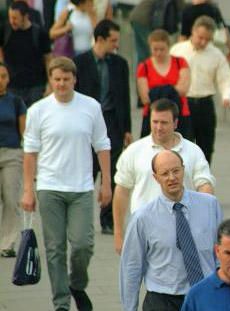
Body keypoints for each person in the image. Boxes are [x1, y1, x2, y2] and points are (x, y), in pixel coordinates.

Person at [21, 57, 111, 311]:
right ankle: (61, 302)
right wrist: (28, 190)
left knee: (83, 245)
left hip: (81, 187)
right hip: (49, 187)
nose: (61, 84)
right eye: (57, 79)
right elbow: (30, 152)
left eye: (66, 79)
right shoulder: (38, 110)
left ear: (74, 79)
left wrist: (106, 183)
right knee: (55, 248)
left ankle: (77, 284)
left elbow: (102, 145)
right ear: (51, 79)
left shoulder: (90, 106)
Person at [120, 150, 222, 311]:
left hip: (206, 296)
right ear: (155, 177)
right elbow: (131, 267)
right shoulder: (142, 218)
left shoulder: (210, 205)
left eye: (176, 171)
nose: (172, 178)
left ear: (183, 170)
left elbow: (221, 253)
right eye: (165, 173)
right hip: (163, 300)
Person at [113, 98, 215, 254]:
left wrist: (204, 224)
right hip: (145, 228)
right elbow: (122, 191)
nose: (158, 127)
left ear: (175, 123)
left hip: (185, 227)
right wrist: (119, 234)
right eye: (155, 122)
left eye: (164, 123)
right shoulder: (134, 151)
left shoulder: (193, 151)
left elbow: (205, 186)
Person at [73, 19, 131, 235]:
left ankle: (107, 219)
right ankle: (82, 218)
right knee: (88, 172)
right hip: (86, 125)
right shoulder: (79, 63)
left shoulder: (120, 64)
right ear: (100, 39)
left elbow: (124, 97)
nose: (116, 44)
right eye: (113, 40)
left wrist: (127, 129)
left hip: (112, 123)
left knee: (113, 173)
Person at [170, 16, 230, 163]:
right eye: (200, 37)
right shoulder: (178, 51)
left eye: (208, 39)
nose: (203, 42)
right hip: (182, 103)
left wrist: (227, 96)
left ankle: (203, 182)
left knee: (206, 147)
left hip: (205, 104)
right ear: (193, 32)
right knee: (181, 146)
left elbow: (225, 78)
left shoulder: (216, 54)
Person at [137, 29, 192, 139]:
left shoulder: (180, 62)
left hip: (180, 114)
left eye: (162, 49)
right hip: (153, 116)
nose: (159, 53)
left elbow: (183, 89)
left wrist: (156, 91)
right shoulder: (144, 67)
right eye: (155, 49)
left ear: (168, 47)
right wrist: (171, 89)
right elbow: (145, 98)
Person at [1, 1, 51, 107]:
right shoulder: (5, 31)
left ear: (25, 16)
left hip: (36, 86)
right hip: (12, 86)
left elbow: (48, 60)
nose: (12, 21)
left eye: (15, 18)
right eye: (10, 17)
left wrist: (50, 84)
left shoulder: (40, 34)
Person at [0, 62, 26, 258]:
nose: (1, 81)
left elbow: (24, 132)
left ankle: (7, 243)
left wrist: (28, 157)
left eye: (3, 76)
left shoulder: (15, 102)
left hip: (11, 154)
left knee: (11, 199)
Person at [129, 0, 184, 65]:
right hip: (146, 20)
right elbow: (182, 8)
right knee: (153, 50)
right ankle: (149, 73)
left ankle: (140, 73)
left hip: (136, 17)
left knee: (142, 53)